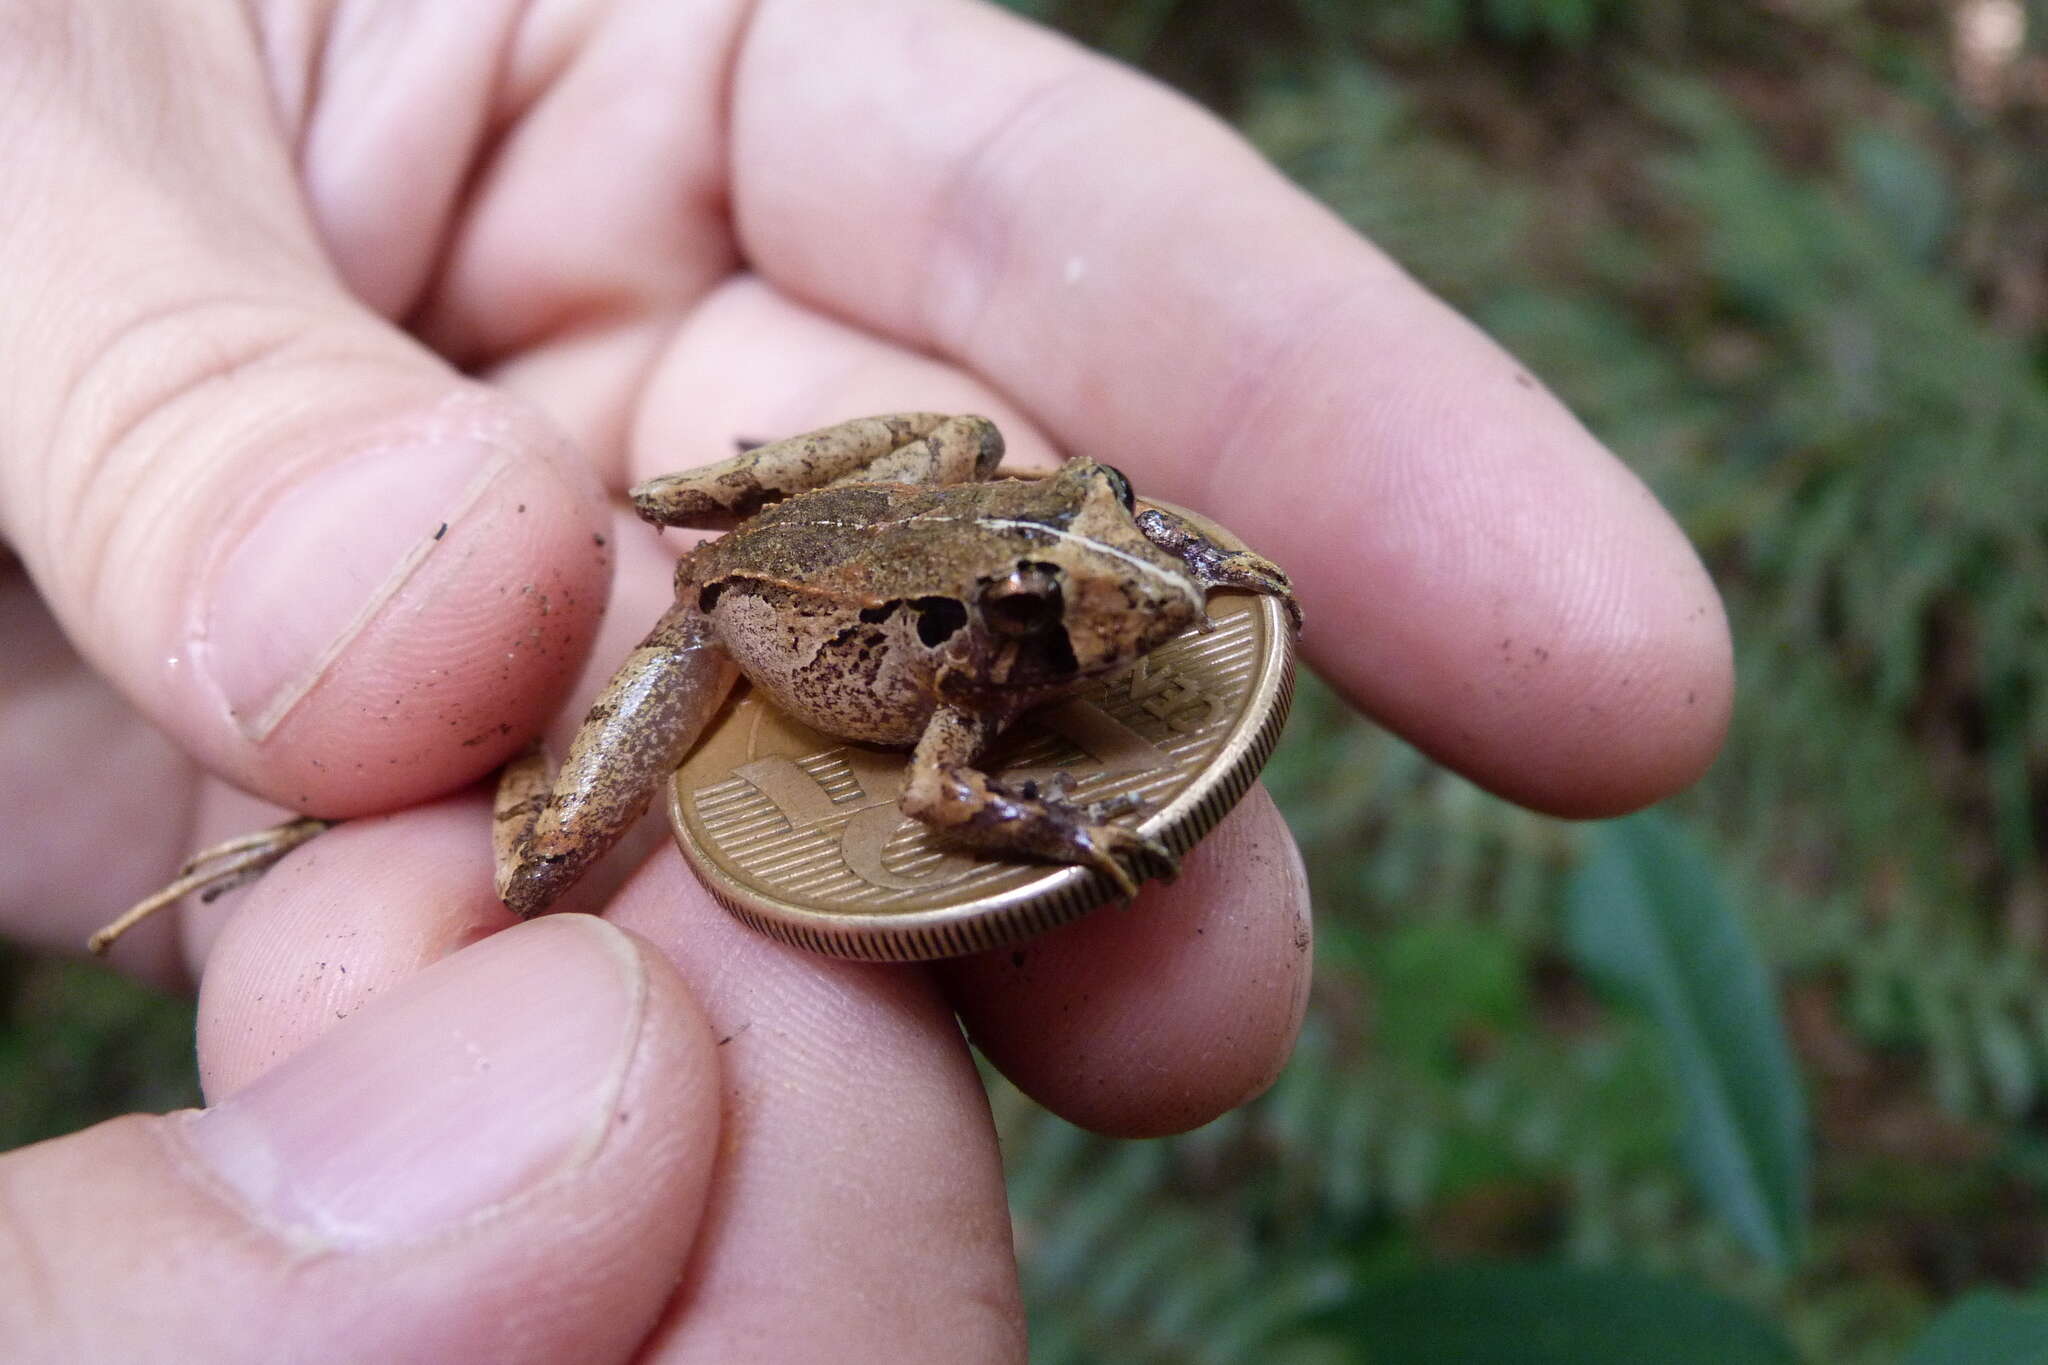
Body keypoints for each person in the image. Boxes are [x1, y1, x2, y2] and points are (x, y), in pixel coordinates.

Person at [0, 1, 1732, 1359]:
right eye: (1062, 597)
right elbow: (933, 790)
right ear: (1002, 624)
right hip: (734, 626)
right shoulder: (971, 687)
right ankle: (382, 788)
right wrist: (1050, 811)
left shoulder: (1056, 559)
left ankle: (739, 490)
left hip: (872, 527)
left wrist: (1152, 549)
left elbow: (1057, 520)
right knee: (536, 865)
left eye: (1119, 538)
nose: (1120, 592)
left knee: (971, 439)